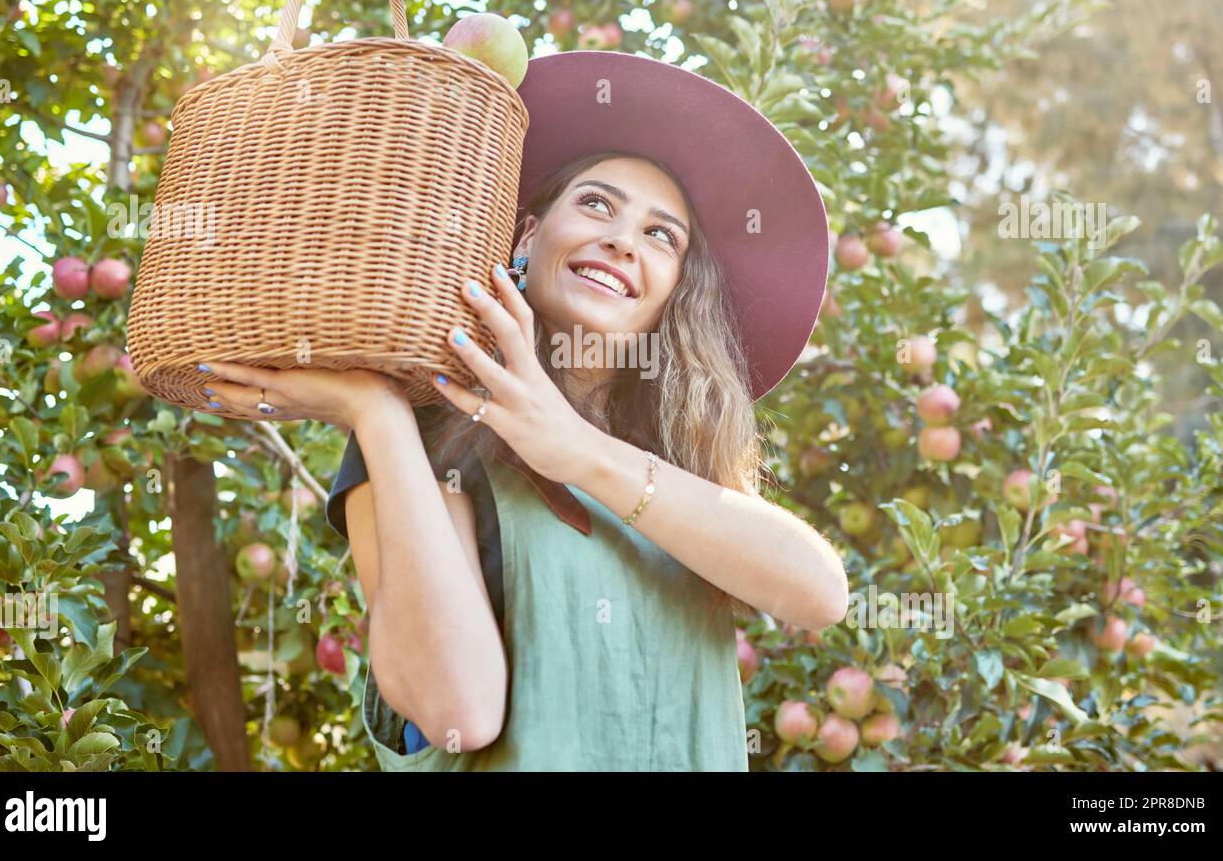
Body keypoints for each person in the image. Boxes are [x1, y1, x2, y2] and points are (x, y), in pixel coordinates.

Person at [196, 50, 847, 771]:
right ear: (528, 235)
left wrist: (577, 451)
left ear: (674, 290)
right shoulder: (429, 428)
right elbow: (455, 713)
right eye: (596, 203)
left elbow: (819, 593)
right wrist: (374, 410)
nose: (622, 240)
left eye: (663, 235)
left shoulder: (674, 460)